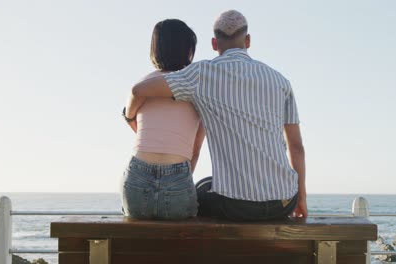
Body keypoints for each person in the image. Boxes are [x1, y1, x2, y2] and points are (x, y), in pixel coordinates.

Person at [126, 10, 307, 221]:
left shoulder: (201, 74)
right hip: (284, 202)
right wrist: (301, 198)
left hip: (236, 206)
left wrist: (130, 118)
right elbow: (296, 147)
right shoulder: (280, 81)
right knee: (206, 184)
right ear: (248, 40)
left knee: (199, 191)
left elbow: (139, 90)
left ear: (214, 44)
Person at [121, 19, 205, 220]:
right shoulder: (196, 89)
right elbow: (195, 150)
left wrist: (128, 116)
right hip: (177, 176)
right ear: (188, 50)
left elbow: (134, 123)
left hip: (136, 177)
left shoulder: (144, 85)